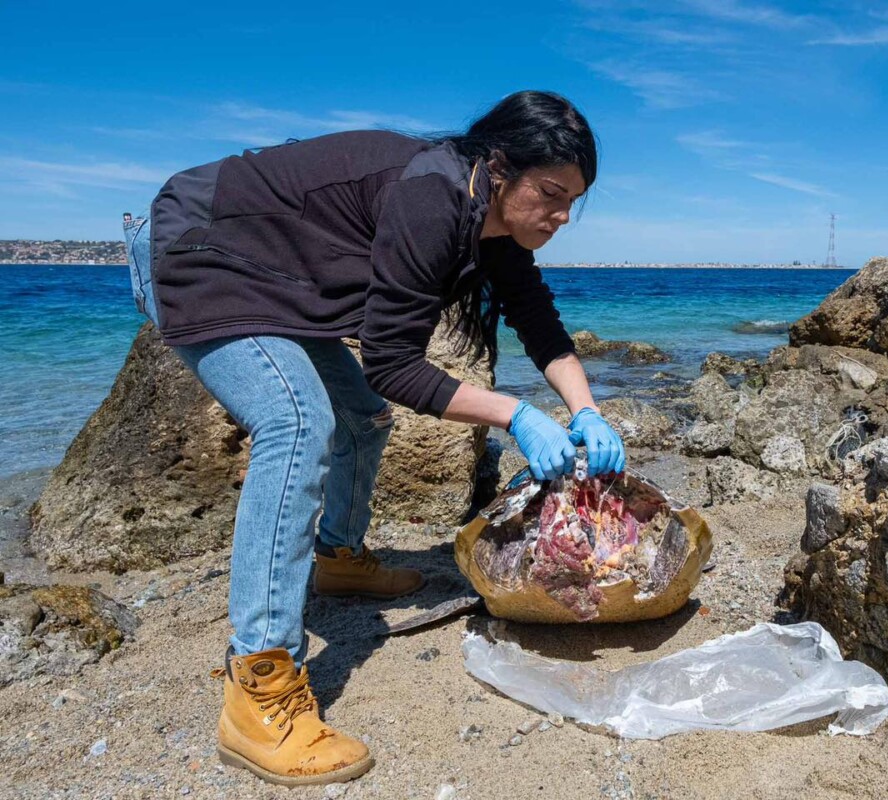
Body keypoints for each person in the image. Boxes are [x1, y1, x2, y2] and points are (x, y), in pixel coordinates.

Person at [121, 91, 626, 786]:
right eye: (552, 193)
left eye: (575, 200)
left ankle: (336, 556)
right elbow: (393, 362)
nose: (563, 215)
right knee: (296, 422)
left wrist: (586, 411)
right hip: (203, 249)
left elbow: (538, 322)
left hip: (277, 273)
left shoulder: (493, 221)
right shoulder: (432, 197)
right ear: (501, 168)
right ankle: (259, 686)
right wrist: (515, 414)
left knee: (361, 418)